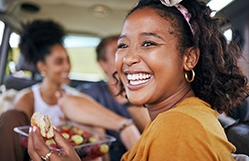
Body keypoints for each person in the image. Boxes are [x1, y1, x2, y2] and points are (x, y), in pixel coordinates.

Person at [28, 0, 249, 160]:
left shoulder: (180, 126)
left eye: (149, 43)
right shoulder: (178, 118)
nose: (129, 58)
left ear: (189, 57)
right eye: (123, 45)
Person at [0, 19, 75, 161]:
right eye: (59, 62)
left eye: (68, 60)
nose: (67, 67)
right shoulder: (28, 98)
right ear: (42, 67)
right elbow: (20, 137)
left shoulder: (74, 97)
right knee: (11, 116)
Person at [76, 35, 150, 161]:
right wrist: (125, 126)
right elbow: (70, 102)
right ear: (102, 64)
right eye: (118, 51)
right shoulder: (93, 92)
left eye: (127, 49)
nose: (127, 57)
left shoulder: (147, 94)